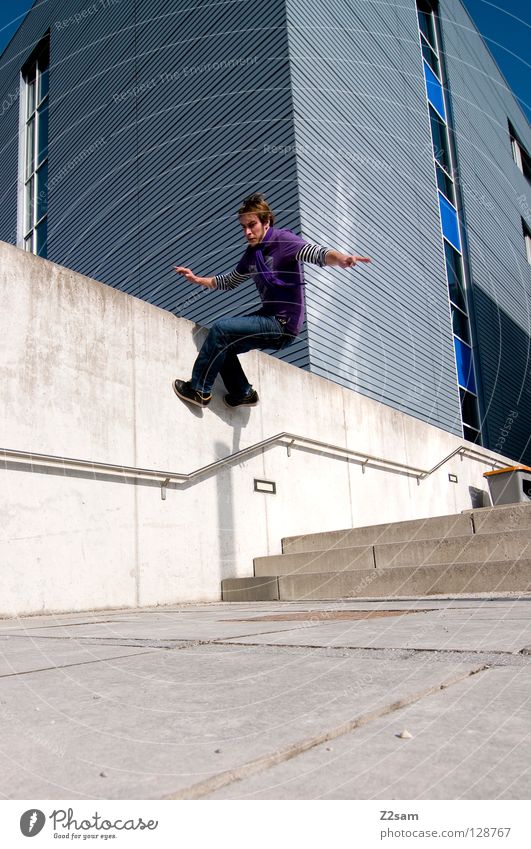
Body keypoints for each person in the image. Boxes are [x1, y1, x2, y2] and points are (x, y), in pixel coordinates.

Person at [172, 193, 371, 408]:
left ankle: (199, 389)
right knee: (223, 344)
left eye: (252, 225)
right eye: (243, 227)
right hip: (269, 318)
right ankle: (242, 392)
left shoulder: (283, 240)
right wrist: (197, 279)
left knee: (220, 329)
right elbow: (229, 281)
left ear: (266, 222)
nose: (247, 232)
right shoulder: (251, 256)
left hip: (282, 323)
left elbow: (316, 253)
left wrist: (341, 258)